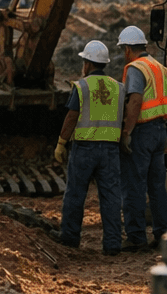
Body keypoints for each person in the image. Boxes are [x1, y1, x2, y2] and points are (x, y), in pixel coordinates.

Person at [53, 40, 123, 255]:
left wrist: (61, 143)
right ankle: (112, 244)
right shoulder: (118, 87)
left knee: (75, 194)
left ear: (88, 63)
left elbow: (71, 116)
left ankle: (70, 238)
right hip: (110, 150)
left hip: (84, 148)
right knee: (111, 197)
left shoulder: (82, 86)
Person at [118, 25, 167, 251]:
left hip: (142, 132)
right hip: (160, 131)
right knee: (157, 186)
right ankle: (163, 235)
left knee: (134, 185)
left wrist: (126, 132)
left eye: (123, 49)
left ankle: (136, 237)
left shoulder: (135, 68)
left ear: (128, 49)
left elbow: (135, 101)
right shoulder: (159, 67)